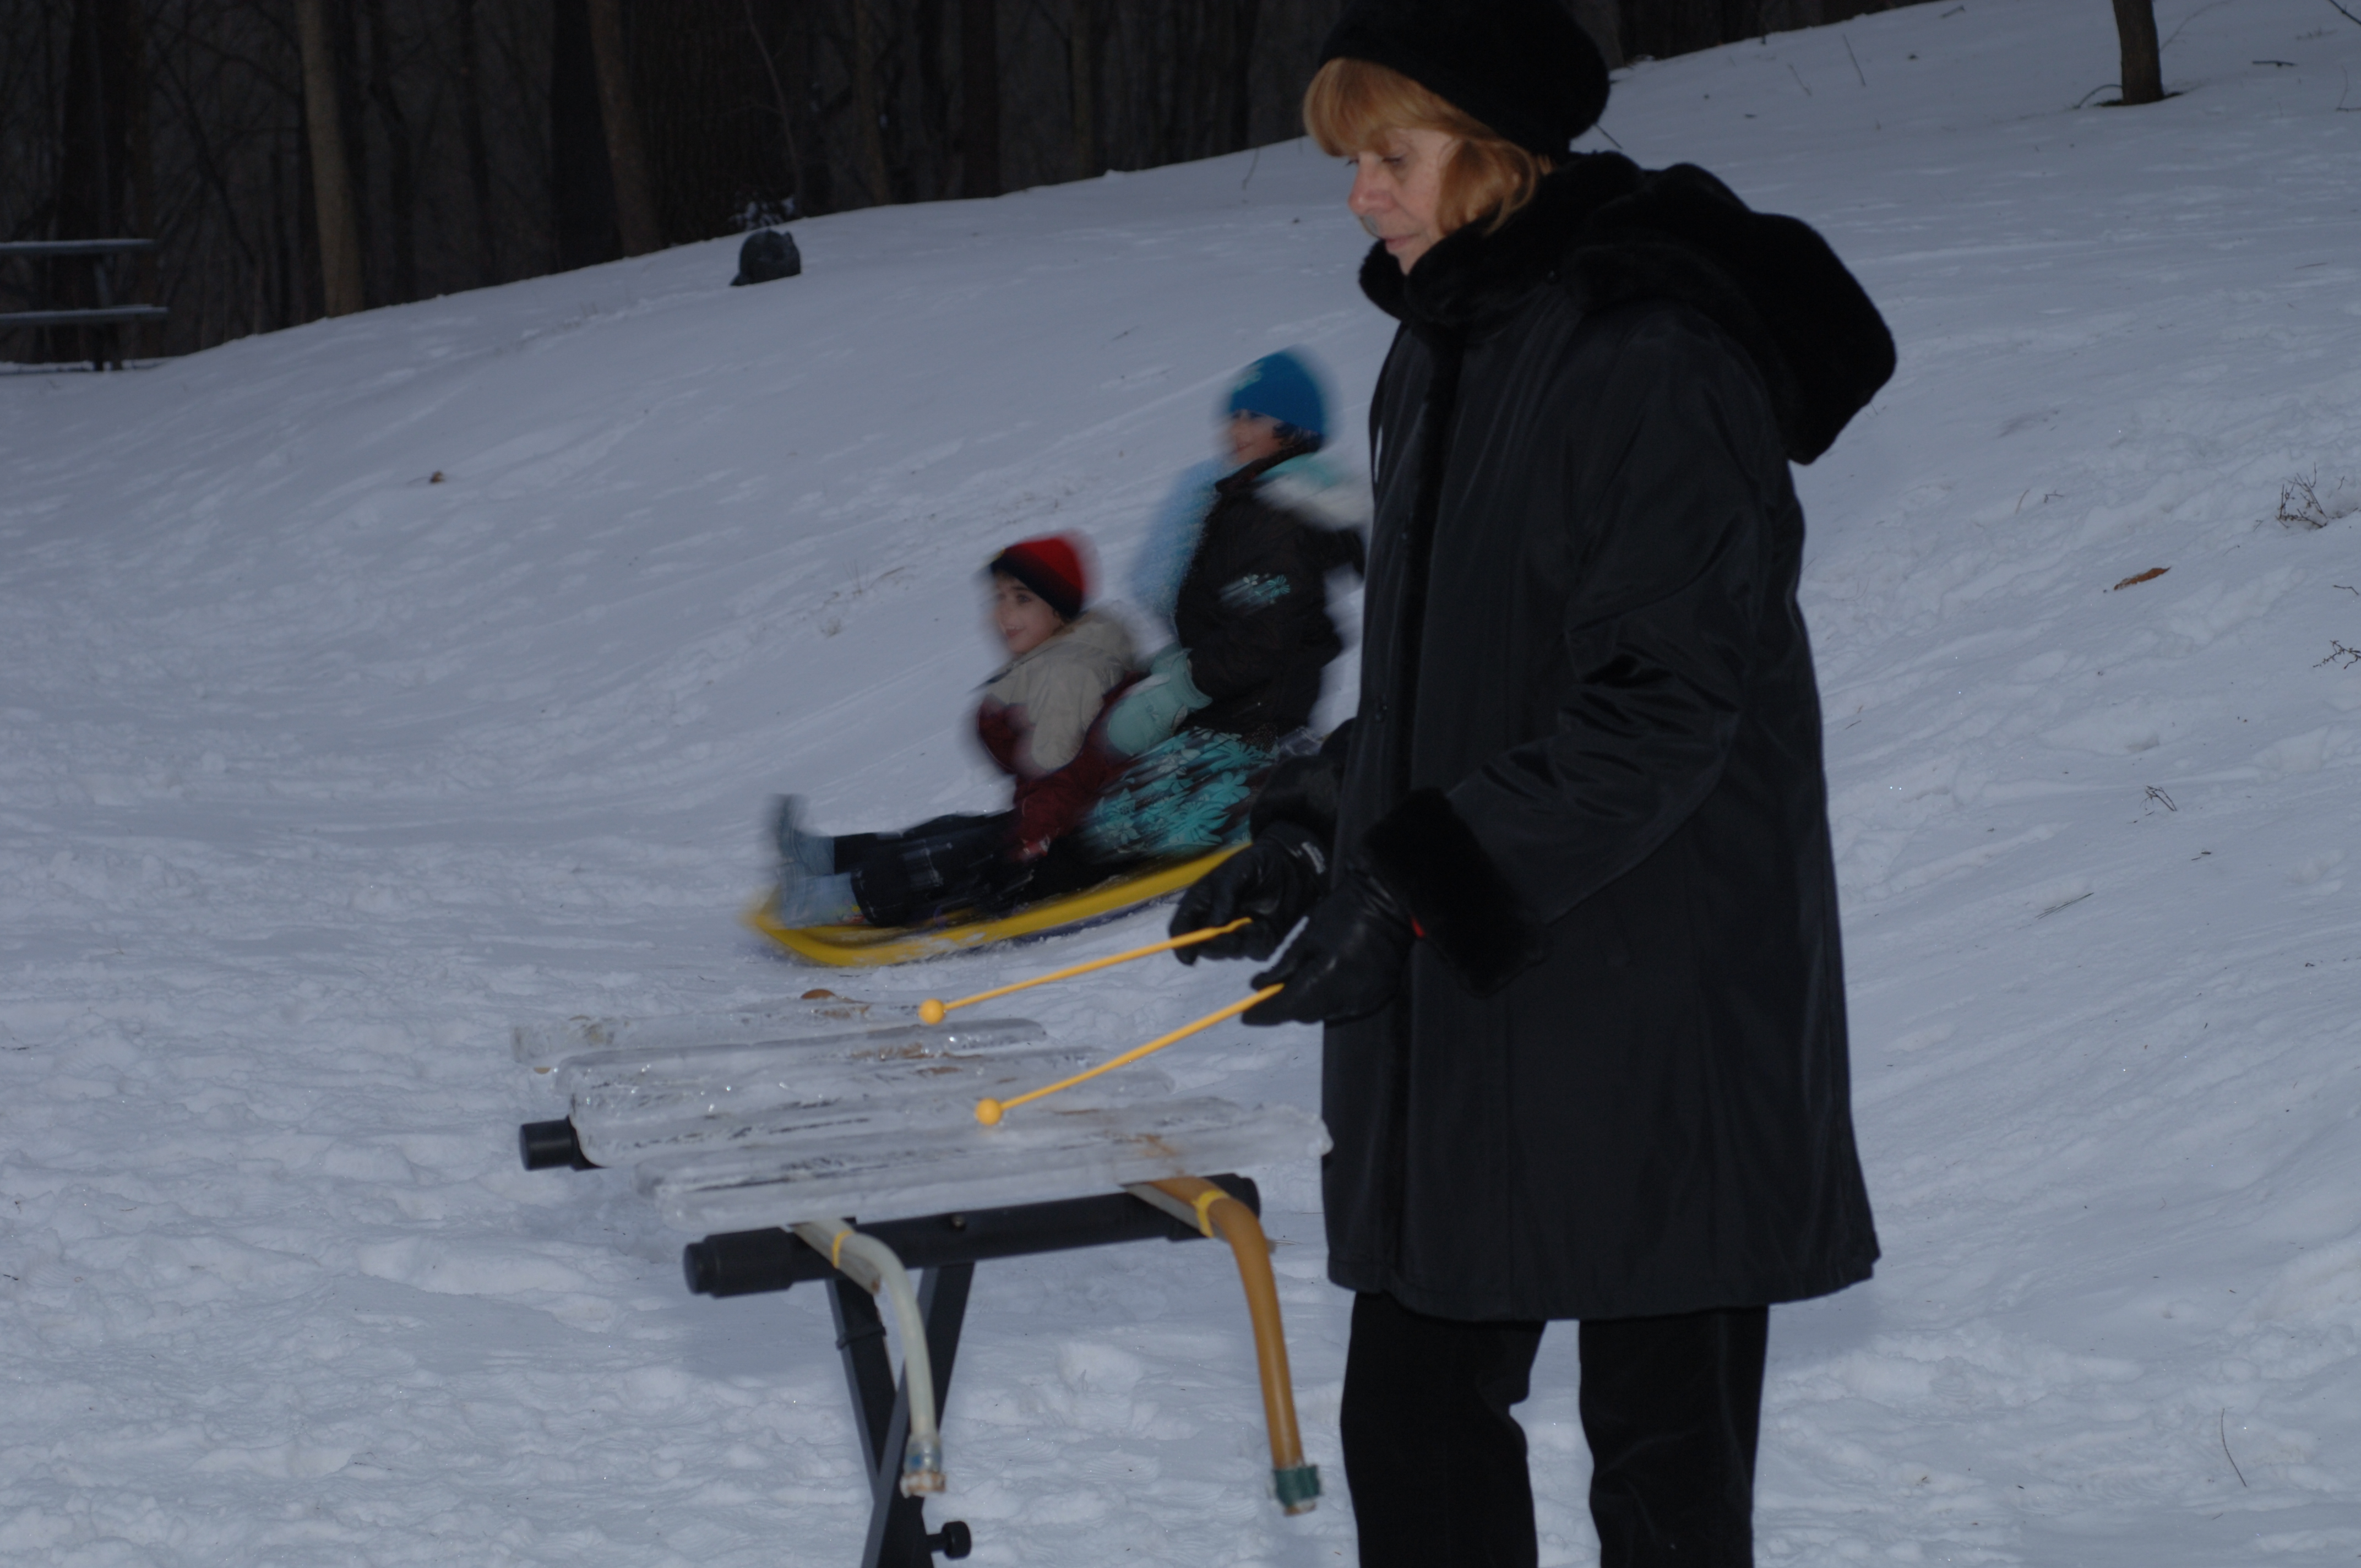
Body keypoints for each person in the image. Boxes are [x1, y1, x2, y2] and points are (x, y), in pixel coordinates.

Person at [1168, 2, 1894, 1564]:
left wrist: (1407, 882)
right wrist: (1312, 827)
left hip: (1663, 1001)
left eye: (1391, 154)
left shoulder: (1653, 351)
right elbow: (1457, 684)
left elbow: (1661, 705)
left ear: (1498, 155)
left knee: (1663, 1472)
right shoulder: (1444, 346)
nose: (1360, 193)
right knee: (1414, 1426)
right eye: (1351, 159)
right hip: (1488, 990)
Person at [1082, 351, 1369, 862]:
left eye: (1254, 417)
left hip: (1261, 723)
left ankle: (1282, 797)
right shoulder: (1246, 500)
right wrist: (1172, 665)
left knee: (1128, 822)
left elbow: (1265, 636)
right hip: (1233, 710)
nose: (1236, 429)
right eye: (1233, 415)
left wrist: (1185, 683)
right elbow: (1228, 617)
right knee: (1110, 810)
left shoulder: (1280, 515)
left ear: (1294, 428)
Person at [773, 533, 1138, 927]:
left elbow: (1061, 781)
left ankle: (837, 900)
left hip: (1080, 843)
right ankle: (830, 858)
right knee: (950, 831)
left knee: (947, 861)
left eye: (1022, 599)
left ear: (1060, 611)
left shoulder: (1068, 676)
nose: (1004, 613)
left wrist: (1023, 850)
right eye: (998, 598)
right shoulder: (1059, 658)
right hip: (1062, 822)